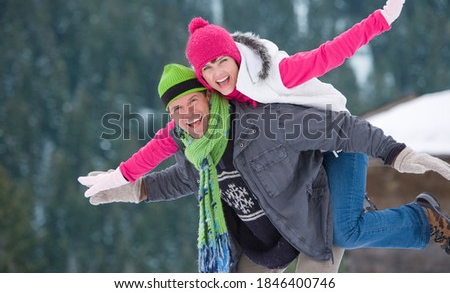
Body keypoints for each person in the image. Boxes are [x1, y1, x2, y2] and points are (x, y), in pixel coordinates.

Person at [80, 64, 450, 273]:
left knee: (344, 236)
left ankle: (420, 217)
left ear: (209, 96)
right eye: (175, 111)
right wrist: (130, 189)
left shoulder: (262, 123)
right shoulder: (198, 154)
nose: (185, 116)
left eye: (190, 102)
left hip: (322, 187)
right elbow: (180, 180)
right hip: (271, 236)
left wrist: (395, 152)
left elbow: (342, 128)